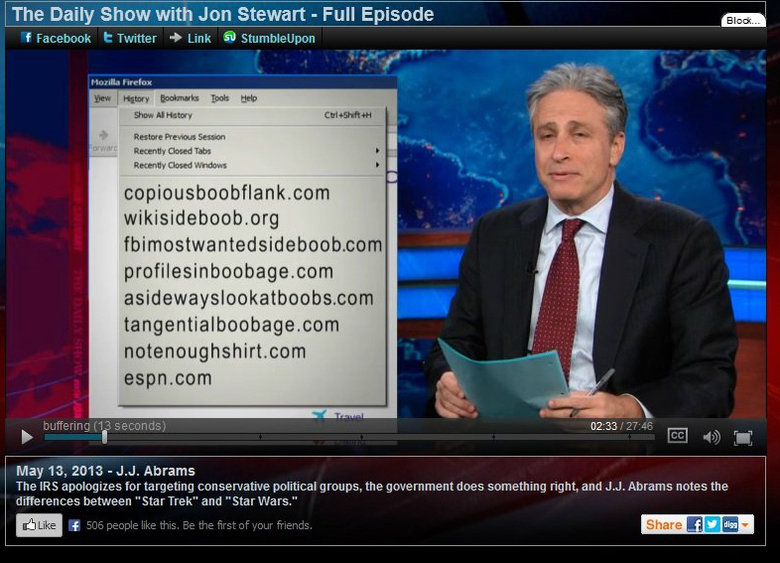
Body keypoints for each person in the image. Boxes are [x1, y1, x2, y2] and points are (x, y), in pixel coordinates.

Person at [424, 63, 737, 419]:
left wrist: (628, 412)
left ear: (615, 147)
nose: (559, 152)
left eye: (579, 135)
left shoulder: (682, 240)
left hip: (614, 445)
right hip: (506, 433)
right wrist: (447, 381)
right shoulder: (495, 233)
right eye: (546, 135)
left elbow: (711, 379)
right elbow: (454, 344)